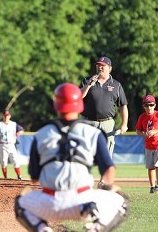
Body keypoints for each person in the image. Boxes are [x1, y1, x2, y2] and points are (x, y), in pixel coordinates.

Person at [14, 83, 128, 232]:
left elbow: (34, 178)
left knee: (21, 203)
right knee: (121, 201)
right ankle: (94, 229)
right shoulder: (92, 132)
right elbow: (109, 170)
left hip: (50, 203)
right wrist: (106, 188)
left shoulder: (41, 134)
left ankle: (45, 230)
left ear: (56, 105)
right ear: (80, 105)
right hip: (83, 202)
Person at [80, 56, 128, 157]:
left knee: (106, 155)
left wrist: (124, 124)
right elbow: (79, 97)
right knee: (86, 153)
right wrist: (88, 85)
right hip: (89, 122)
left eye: (103, 65)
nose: (100, 67)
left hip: (107, 123)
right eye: (98, 65)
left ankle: (105, 173)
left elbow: (123, 106)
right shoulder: (86, 80)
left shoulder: (116, 85)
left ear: (109, 68)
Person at [0, 109, 24, 180]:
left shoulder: (14, 124)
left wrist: (19, 133)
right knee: (3, 162)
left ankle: (19, 176)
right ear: (2, 116)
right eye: (5, 115)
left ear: (10, 116)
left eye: (7, 115)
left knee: (15, 161)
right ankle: (5, 178)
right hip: (2, 145)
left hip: (11, 145)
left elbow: (21, 130)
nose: (6, 117)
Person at [135, 94, 158, 194]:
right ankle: (153, 187)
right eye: (146, 105)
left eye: (151, 105)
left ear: (155, 105)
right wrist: (143, 134)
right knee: (150, 167)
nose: (149, 107)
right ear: (143, 106)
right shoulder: (142, 117)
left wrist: (155, 131)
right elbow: (138, 130)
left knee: (157, 166)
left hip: (157, 145)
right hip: (148, 146)